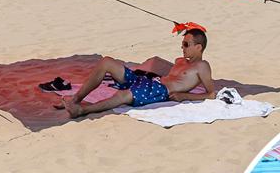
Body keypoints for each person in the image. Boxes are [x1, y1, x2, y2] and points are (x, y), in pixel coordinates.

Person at [60, 29, 215, 117]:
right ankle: (75, 99)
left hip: (161, 91)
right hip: (151, 83)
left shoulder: (202, 66)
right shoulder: (179, 60)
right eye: (182, 44)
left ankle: (82, 110)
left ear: (198, 47)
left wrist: (185, 96)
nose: (182, 47)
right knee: (106, 62)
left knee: (122, 95)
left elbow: (211, 94)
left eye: (186, 44)